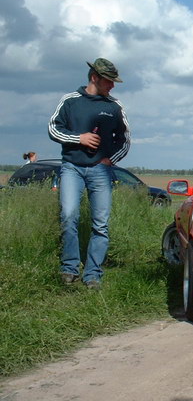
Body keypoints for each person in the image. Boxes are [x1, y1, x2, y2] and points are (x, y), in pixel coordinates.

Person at [48, 58, 130, 290]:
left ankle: (93, 274)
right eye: (109, 81)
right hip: (71, 168)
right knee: (69, 216)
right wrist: (79, 138)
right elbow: (53, 128)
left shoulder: (115, 107)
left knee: (101, 225)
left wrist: (109, 160)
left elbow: (124, 140)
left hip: (100, 171)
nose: (112, 86)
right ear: (94, 77)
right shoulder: (70, 101)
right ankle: (69, 268)